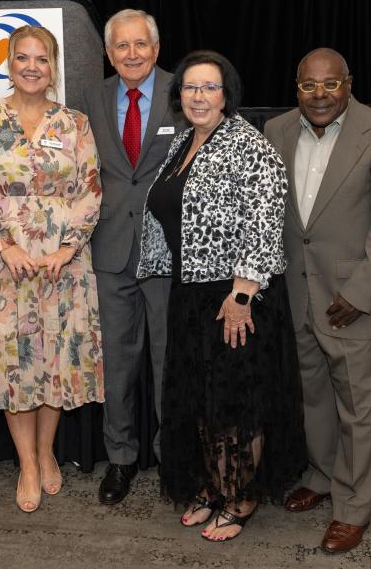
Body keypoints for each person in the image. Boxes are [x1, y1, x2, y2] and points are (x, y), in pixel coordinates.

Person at [137, 50, 305, 542]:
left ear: (227, 94)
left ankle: (241, 496)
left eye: (210, 87)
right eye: (191, 87)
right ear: (179, 95)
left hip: (236, 296)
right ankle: (215, 487)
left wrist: (243, 294)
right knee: (202, 403)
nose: (199, 96)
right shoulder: (186, 141)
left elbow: (264, 221)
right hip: (192, 293)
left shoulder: (247, 144)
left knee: (234, 405)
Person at [0, 25, 103, 514]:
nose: (32, 66)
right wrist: (4, 245)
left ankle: (46, 451)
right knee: (13, 363)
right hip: (2, 265)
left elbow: (91, 189)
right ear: (8, 63)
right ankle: (28, 464)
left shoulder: (74, 123)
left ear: (53, 66)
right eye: (23, 57)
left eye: (42, 58)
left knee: (54, 359)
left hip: (63, 264)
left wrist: (68, 246)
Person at [265, 48, 371, 552]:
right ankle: (322, 474)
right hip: (298, 292)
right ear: (297, 86)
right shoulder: (277, 131)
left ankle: (352, 507)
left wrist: (362, 291)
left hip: (351, 298)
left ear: (348, 83)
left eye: (330, 84)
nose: (320, 95)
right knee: (314, 396)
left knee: (359, 406)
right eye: (309, 86)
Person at [80, 9, 182, 505]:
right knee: (117, 364)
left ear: (156, 49)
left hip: (168, 251)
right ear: (109, 53)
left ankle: (170, 459)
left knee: (168, 362)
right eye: (122, 46)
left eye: (141, 44)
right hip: (110, 250)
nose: (132, 54)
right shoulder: (91, 99)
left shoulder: (185, 93)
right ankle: (119, 458)